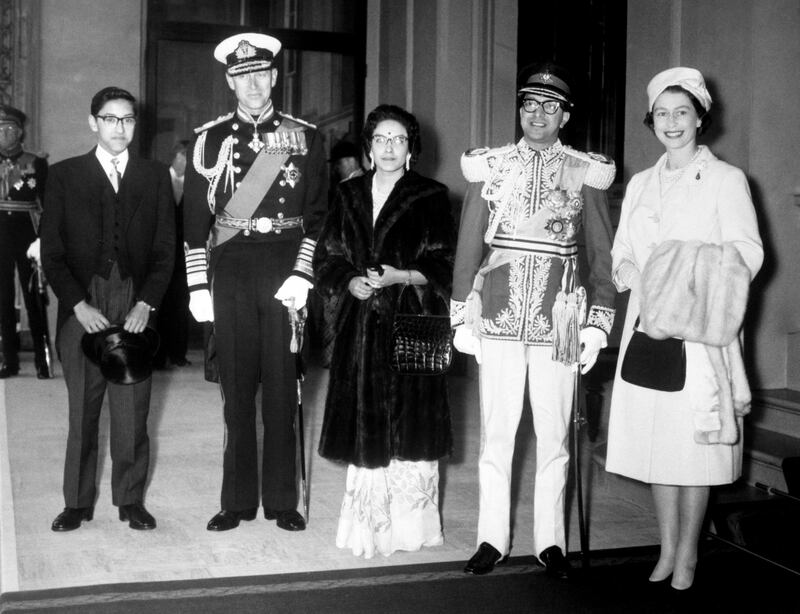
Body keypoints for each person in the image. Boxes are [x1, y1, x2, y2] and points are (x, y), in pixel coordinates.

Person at [450, 62, 617, 578]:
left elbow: (601, 253)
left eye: (549, 107)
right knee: (496, 436)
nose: (537, 114)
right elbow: (468, 245)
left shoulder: (583, 171)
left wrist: (598, 321)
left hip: (560, 320)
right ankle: (491, 540)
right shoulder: (490, 166)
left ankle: (550, 543)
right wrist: (461, 314)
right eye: (529, 105)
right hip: (497, 314)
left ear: (565, 116)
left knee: (555, 436)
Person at [606, 67, 763, 590]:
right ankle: (667, 547)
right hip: (648, 326)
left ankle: (690, 552)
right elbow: (622, 252)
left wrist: (687, 275)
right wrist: (635, 275)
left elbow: (748, 253)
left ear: (700, 118)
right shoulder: (643, 184)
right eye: (662, 114)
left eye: (683, 112)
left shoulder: (726, 179)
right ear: (651, 121)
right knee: (656, 445)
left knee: (692, 448)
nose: (672, 123)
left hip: (699, 330)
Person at [183, 33, 327, 532]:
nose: (253, 83)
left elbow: (318, 216)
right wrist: (198, 286)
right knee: (237, 391)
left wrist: (304, 272)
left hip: (285, 270)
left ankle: (282, 501)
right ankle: (238, 501)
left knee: (283, 392)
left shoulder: (306, 136)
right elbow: (193, 223)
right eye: (243, 75)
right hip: (232, 271)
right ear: (230, 81)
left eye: (261, 73)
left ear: (274, 77)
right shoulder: (208, 138)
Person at [314, 104, 455, 558]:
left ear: (411, 147)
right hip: (361, 327)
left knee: (411, 424)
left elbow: (444, 262)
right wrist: (348, 280)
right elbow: (328, 256)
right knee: (367, 423)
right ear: (369, 148)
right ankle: (370, 529)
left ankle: (411, 529)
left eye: (398, 139)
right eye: (381, 139)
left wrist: (401, 276)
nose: (389, 147)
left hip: (411, 320)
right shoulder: (348, 193)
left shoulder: (431, 194)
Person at [41, 86, 174, 531]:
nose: (120, 128)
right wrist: (77, 305)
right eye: (111, 118)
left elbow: (165, 252)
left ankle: (130, 499)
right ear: (93, 121)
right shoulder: (63, 176)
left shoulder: (154, 177)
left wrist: (146, 304)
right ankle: (77, 503)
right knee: (83, 411)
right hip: (83, 302)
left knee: (133, 410)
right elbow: (53, 253)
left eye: (128, 119)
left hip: (134, 300)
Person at [0, 104, 50, 379]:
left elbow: (48, 203)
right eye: (0, 129)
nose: (5, 134)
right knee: (3, 300)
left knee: (34, 298)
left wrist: (43, 239)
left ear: (20, 132)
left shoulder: (36, 161)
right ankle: (10, 360)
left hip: (27, 236)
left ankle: (42, 360)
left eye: (10, 129)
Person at [153, 140, 191, 369]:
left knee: (181, 304)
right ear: (178, 157)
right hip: (159, 254)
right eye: (188, 157)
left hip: (184, 257)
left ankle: (178, 354)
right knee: (159, 304)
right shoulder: (157, 179)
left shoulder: (195, 183)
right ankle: (157, 356)